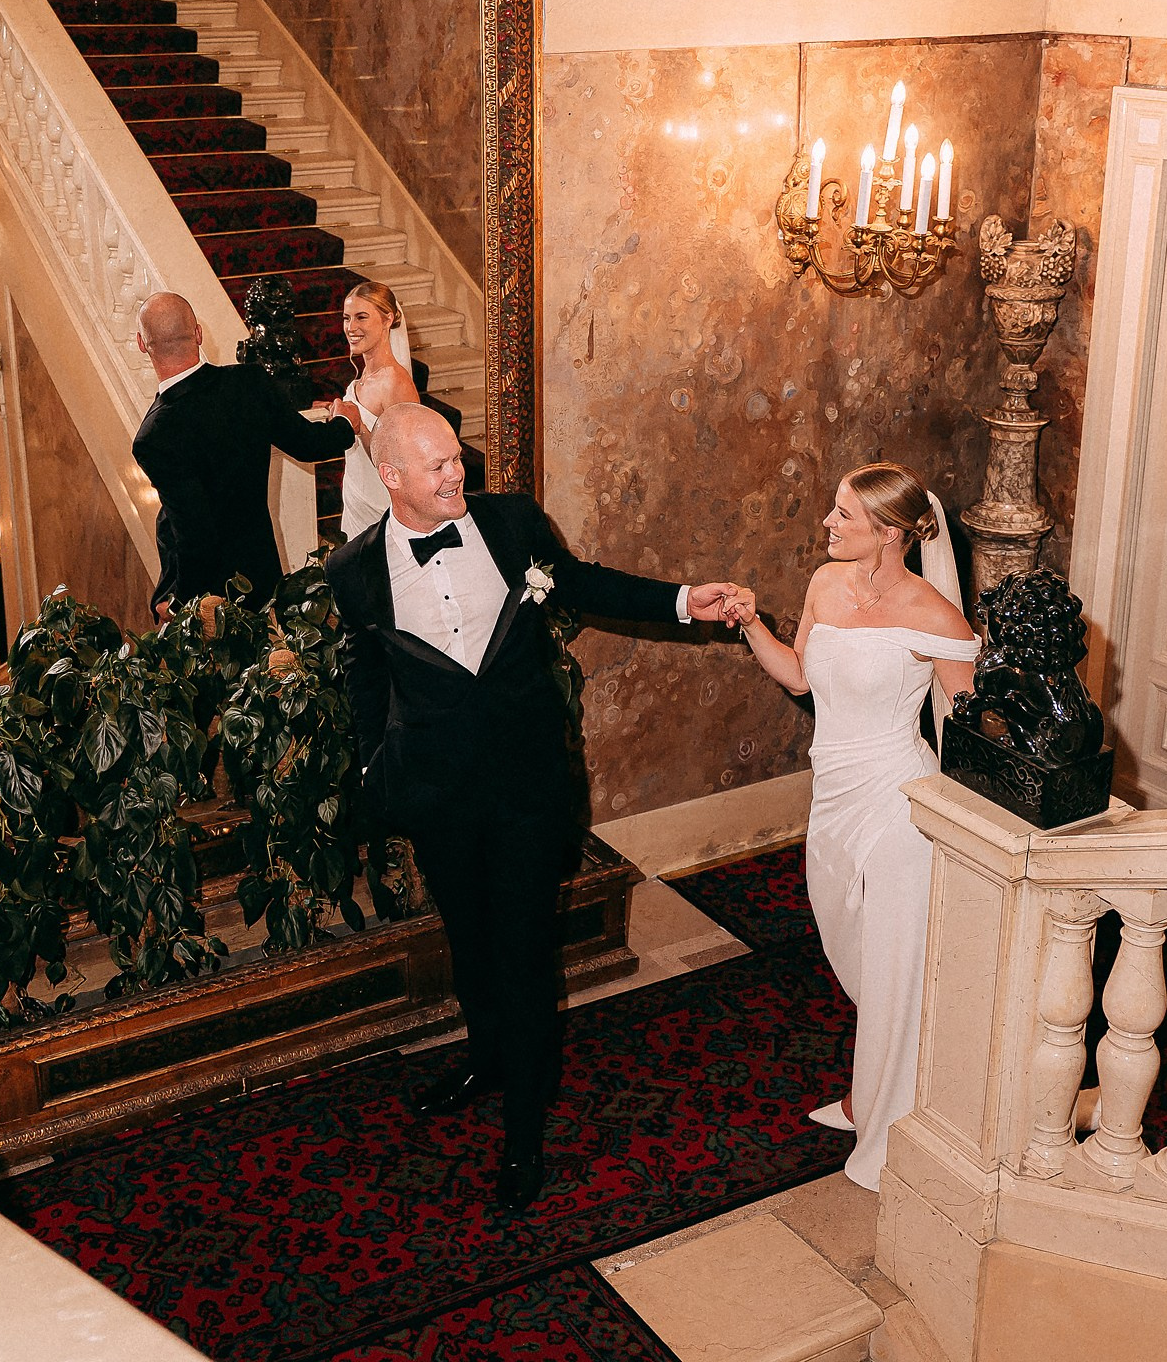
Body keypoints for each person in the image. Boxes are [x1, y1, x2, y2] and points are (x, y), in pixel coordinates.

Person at [325, 404, 738, 1213]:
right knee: (469, 941)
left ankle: (523, 1132)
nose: (459, 475)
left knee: (520, 950)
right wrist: (376, 767)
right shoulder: (353, 571)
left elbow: (584, 583)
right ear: (393, 479)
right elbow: (366, 677)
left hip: (524, 784)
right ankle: (486, 1061)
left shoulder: (510, 523)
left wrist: (687, 599)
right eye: (439, 466)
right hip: (438, 793)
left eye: (457, 459)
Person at [721, 463, 979, 1189]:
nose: (828, 525)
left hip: (900, 801)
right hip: (834, 794)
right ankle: (885, 1084)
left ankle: (887, 1116)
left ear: (890, 533)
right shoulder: (824, 585)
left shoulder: (936, 616)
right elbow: (802, 676)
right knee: (849, 943)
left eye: (844, 516)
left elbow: (966, 726)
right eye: (834, 511)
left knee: (894, 961)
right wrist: (751, 628)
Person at [131, 291, 359, 613]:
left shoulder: (153, 436)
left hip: (210, 606)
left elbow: (195, 536)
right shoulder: (249, 382)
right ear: (198, 332)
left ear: (142, 344)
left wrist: (178, 602)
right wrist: (345, 424)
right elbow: (308, 443)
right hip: (262, 577)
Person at [334, 281, 418, 539]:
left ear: (387, 319)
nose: (351, 327)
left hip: (382, 507)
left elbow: (406, 463)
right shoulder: (356, 383)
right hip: (355, 502)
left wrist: (358, 428)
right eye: (347, 318)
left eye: (361, 317)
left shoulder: (395, 380)